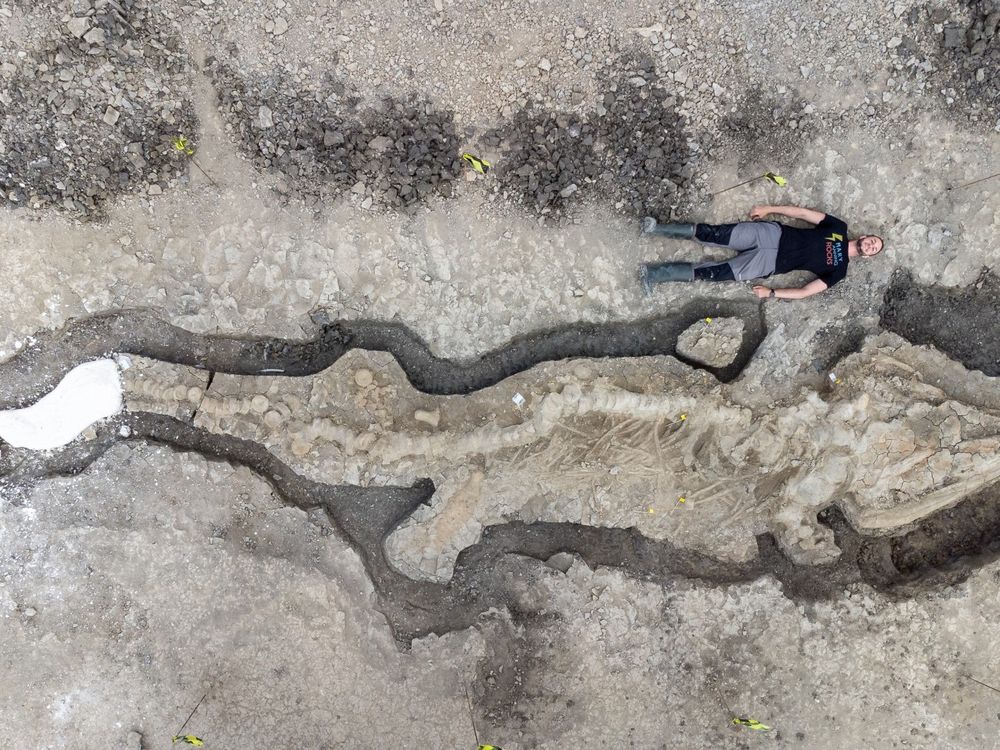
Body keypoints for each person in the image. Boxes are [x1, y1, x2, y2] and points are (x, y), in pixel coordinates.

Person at [638, 205, 884, 300]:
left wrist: (772, 292)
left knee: (713, 273)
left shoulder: (839, 271)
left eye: (874, 249)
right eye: (873, 241)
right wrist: (769, 209)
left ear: (868, 256)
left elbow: (806, 291)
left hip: (767, 264)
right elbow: (802, 214)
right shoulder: (839, 228)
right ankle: (654, 228)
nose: (871, 245)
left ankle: (652, 274)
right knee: (712, 233)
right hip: (770, 234)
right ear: (864, 237)